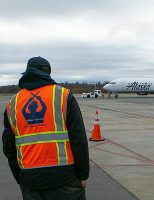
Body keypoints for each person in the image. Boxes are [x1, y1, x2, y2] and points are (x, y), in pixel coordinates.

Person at [2, 56, 90, 200]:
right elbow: (78, 140)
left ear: (26, 73)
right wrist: (83, 174)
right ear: (48, 73)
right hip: (65, 178)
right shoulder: (63, 95)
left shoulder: (13, 102)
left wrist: (20, 177)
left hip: (30, 180)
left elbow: (8, 147)